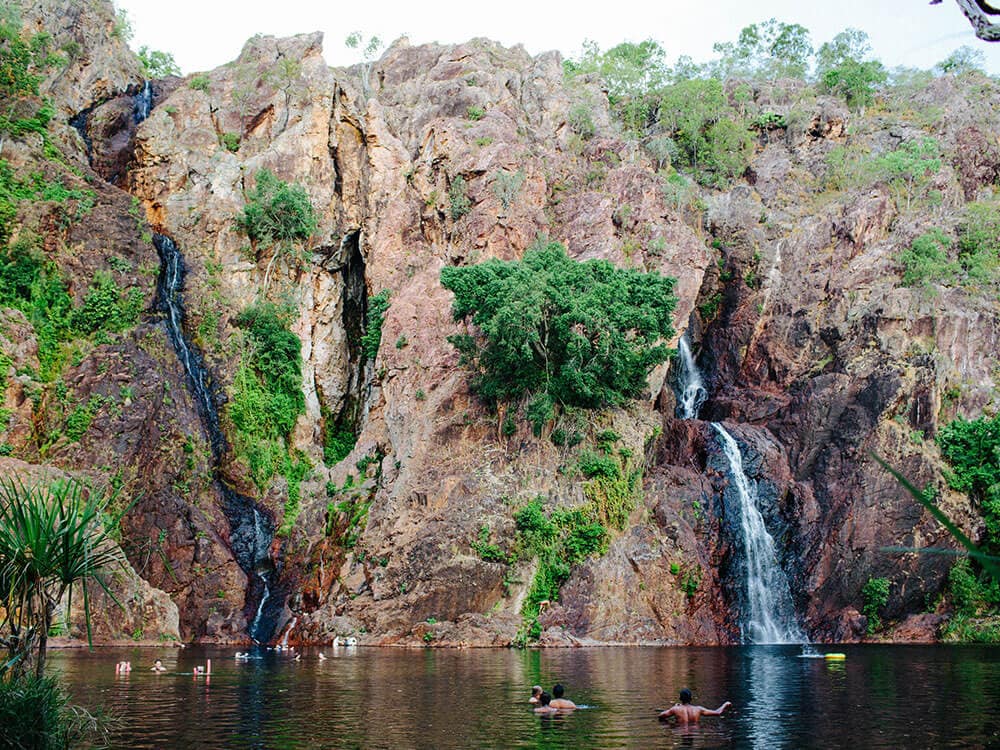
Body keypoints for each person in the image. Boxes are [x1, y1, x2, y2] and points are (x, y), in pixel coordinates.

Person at [658, 688, 731, 724]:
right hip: (695, 731)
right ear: (691, 699)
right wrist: (725, 704)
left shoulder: (675, 709)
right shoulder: (698, 709)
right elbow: (718, 712)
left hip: (680, 730)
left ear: (680, 698)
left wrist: (675, 707)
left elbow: (661, 716)